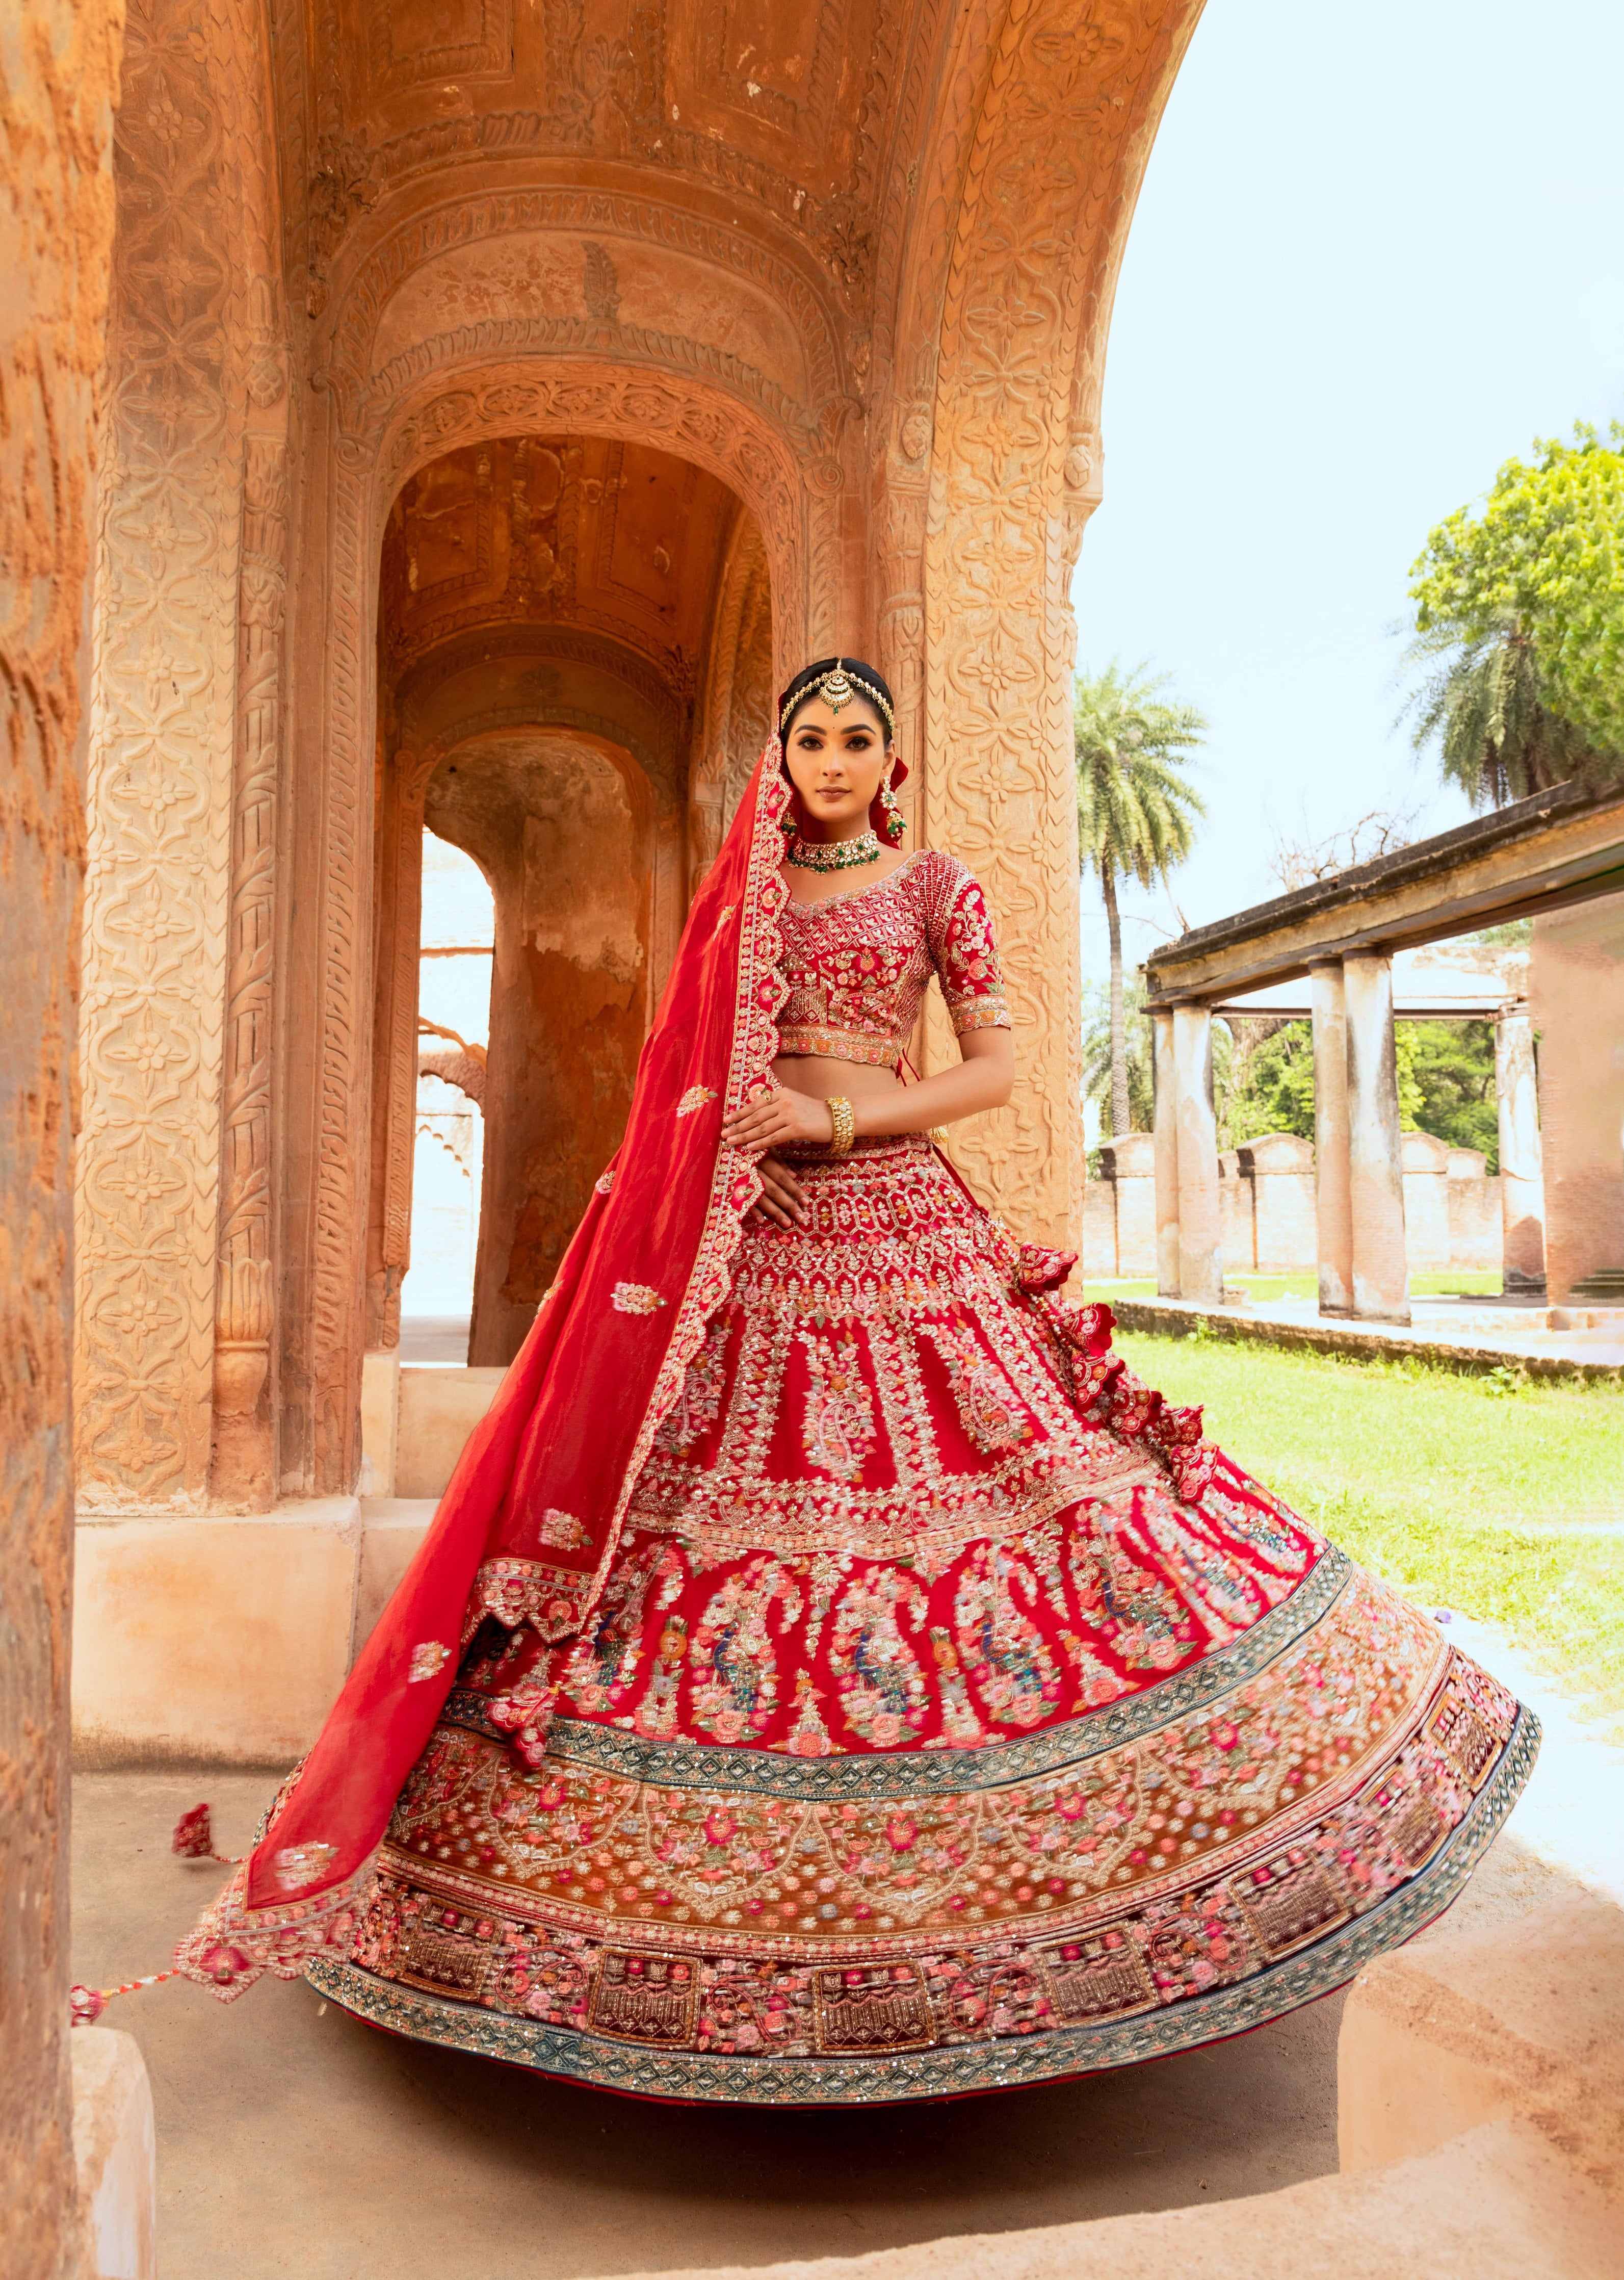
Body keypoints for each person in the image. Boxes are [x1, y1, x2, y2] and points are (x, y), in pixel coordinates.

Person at [174, 658, 1535, 2103]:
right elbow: (685, 1068)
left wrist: (836, 1112)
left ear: (891, 758)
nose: (831, 760)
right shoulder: (743, 892)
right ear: (785, 752)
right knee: (675, 1521)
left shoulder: (933, 885)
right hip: (744, 1231)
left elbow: (998, 1068)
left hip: (891, 1205)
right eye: (810, 738)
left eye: (856, 740)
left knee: (1039, 1499)